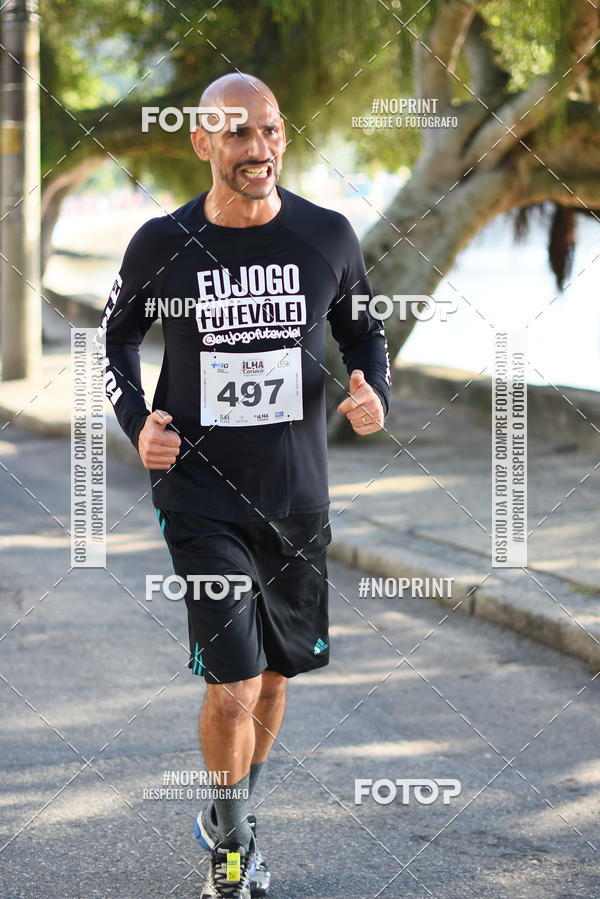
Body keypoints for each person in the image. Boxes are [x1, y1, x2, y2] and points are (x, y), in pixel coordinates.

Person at [99, 72, 391, 899]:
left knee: (271, 678)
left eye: (267, 130)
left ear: (283, 135)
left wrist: (372, 392)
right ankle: (229, 850)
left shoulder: (328, 234)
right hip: (201, 496)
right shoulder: (162, 243)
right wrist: (139, 422)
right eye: (234, 133)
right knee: (229, 682)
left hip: (297, 494)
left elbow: (366, 336)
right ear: (202, 144)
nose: (255, 148)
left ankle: (239, 812)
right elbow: (113, 340)